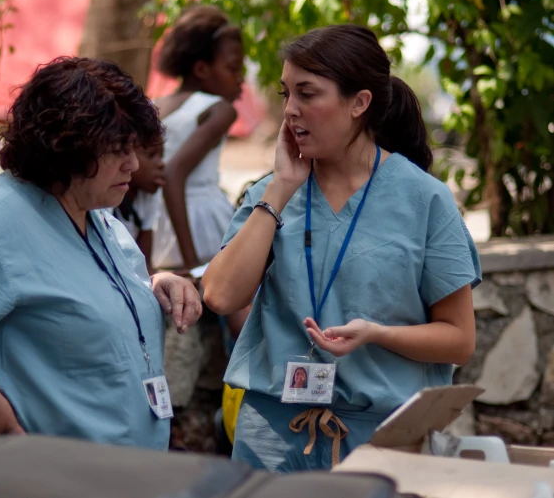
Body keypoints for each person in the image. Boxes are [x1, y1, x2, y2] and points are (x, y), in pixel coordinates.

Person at [0, 57, 202, 452]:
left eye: (134, 148)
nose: (133, 164)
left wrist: (156, 284)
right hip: (44, 476)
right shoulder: (2, 218)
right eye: (119, 149)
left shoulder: (95, 213)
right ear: (70, 147)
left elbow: (74, 292)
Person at [202, 25, 481, 472]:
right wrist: (280, 191)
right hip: (269, 441)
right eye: (286, 92)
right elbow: (219, 295)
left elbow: (459, 339)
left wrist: (377, 334)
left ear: (359, 103)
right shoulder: (270, 193)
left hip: (383, 445)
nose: (290, 110)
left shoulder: (425, 199)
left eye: (308, 94)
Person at [151, 4, 244, 274]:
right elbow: (173, 172)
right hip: (200, 226)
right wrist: (192, 262)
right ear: (202, 69)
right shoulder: (219, 109)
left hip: (159, 225)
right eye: (233, 68)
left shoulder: (155, 105)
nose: (240, 80)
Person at [112, 143, 165, 274]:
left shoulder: (148, 193)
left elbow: (145, 266)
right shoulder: (104, 204)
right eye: (151, 155)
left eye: (161, 156)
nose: (161, 164)